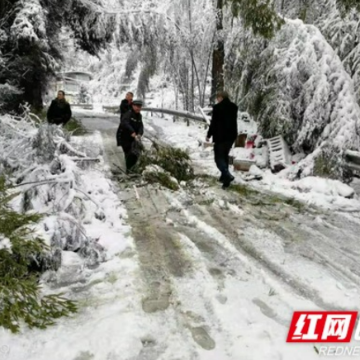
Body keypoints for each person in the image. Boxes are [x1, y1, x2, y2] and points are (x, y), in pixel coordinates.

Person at [206, 91, 238, 189]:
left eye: (218, 97)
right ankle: (224, 179)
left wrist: (209, 134)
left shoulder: (217, 108)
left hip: (220, 137)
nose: (217, 99)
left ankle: (227, 175)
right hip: (231, 136)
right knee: (224, 156)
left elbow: (214, 123)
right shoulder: (234, 107)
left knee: (218, 158)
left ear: (222, 97)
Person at [116, 99, 144, 173]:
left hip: (134, 139)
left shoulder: (139, 115)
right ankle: (129, 172)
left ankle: (133, 170)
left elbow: (141, 126)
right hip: (124, 138)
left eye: (140, 106)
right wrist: (132, 132)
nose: (138, 108)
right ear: (133, 106)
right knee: (129, 155)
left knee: (135, 154)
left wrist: (139, 134)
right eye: (137, 106)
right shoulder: (128, 114)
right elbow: (125, 123)